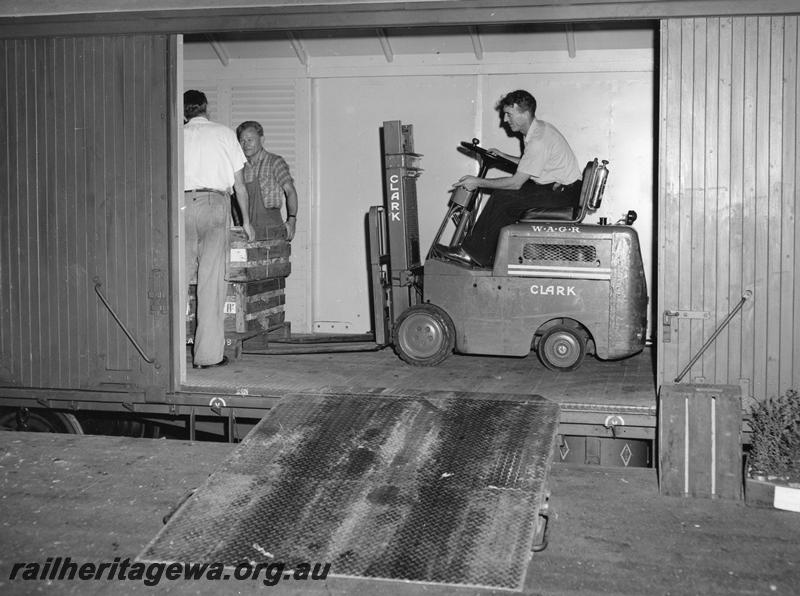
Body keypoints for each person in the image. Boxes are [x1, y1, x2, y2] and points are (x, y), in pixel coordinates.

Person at [448, 89, 582, 267]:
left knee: (503, 197)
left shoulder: (538, 140)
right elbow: (531, 164)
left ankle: (474, 254)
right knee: (503, 197)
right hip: (558, 187)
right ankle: (483, 254)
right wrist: (503, 155)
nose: (505, 120)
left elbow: (516, 183)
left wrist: (477, 182)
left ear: (525, 114)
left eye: (509, 114)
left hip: (564, 192)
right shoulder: (539, 130)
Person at [184, 90, 254, 369]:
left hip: (180, 206)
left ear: (184, 113)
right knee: (211, 283)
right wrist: (245, 221)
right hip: (214, 204)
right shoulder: (224, 134)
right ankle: (207, 356)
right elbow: (240, 186)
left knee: (178, 283)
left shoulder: (176, 135)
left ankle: (172, 357)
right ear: (206, 109)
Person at [236, 121, 299, 241]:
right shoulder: (239, 168)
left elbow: (290, 191)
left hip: (273, 228)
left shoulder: (275, 162)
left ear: (262, 140)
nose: (246, 144)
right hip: (248, 230)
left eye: (250, 140)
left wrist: (292, 220)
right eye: (242, 140)